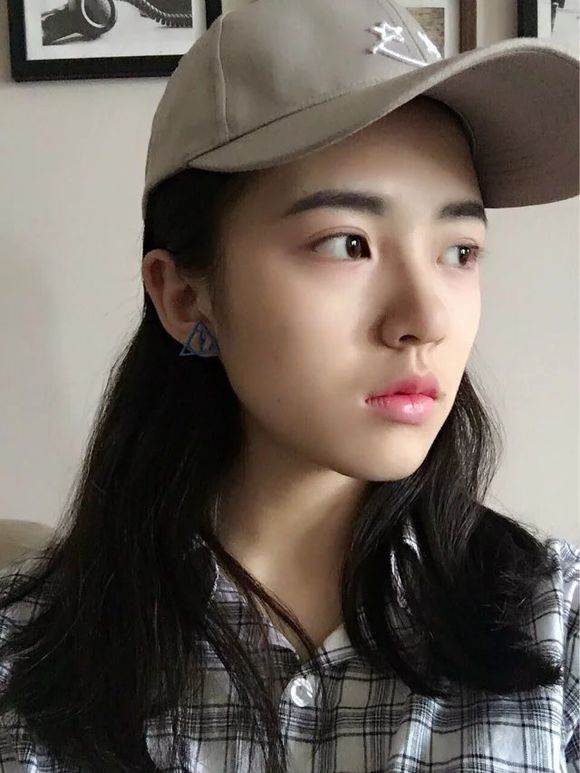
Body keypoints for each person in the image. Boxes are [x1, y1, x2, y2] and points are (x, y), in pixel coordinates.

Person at [0, 0, 578, 771]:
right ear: (184, 296)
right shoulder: (24, 660)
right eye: (347, 243)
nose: (426, 319)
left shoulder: (557, 628)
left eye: (459, 251)